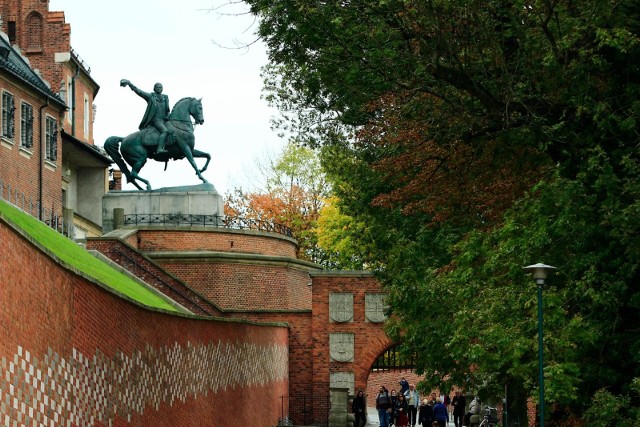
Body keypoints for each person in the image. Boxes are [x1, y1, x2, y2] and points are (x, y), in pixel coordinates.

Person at [120, 79, 172, 155]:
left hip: (165, 120)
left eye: (160, 87)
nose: (159, 88)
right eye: (157, 87)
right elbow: (139, 91)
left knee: (174, 131)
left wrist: (168, 116)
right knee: (164, 131)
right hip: (156, 120)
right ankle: (159, 149)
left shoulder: (165, 98)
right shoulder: (151, 96)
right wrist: (130, 84)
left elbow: (167, 110)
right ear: (154, 89)